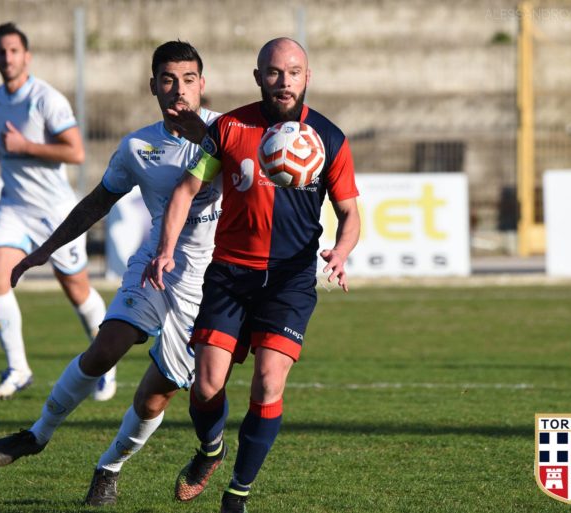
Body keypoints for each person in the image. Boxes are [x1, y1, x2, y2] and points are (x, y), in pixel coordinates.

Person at [0, 40, 223, 507]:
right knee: (105, 347)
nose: (179, 90)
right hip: (154, 266)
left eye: (189, 80)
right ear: (152, 85)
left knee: (156, 397)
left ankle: (108, 469)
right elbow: (97, 201)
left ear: (202, 85)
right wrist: (42, 251)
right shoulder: (138, 146)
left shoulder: (226, 132)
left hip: (210, 281)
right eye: (169, 80)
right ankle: (36, 435)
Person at [145, 37, 361, 513]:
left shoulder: (329, 138)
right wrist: (165, 250)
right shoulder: (228, 128)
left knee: (268, 382)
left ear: (308, 77)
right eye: (274, 73)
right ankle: (210, 450)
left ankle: (238, 493)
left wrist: (341, 253)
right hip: (230, 274)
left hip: (289, 280)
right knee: (205, 386)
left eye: (294, 73)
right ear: (258, 76)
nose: (284, 82)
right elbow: (186, 190)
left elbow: (350, 214)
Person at [0, 22, 109, 401]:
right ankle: (18, 368)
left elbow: (76, 152)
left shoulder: (47, 99)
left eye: (14, 50)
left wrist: (25, 146)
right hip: (14, 205)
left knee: (77, 290)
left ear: (26, 56)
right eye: (1, 51)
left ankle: (105, 360)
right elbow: (5, 140)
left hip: (54, 211)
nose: (7, 57)